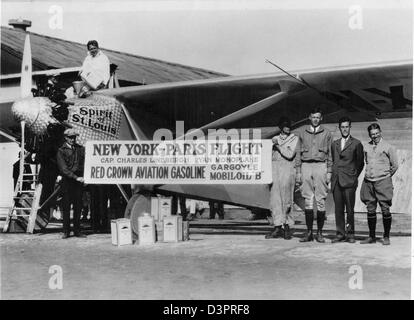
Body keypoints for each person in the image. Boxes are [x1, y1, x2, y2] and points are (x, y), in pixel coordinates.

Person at [295, 107, 333, 243]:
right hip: (305, 166)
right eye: (313, 117)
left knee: (321, 200)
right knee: (308, 200)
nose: (315, 119)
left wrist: (329, 172)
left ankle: (320, 233)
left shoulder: (327, 133)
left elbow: (330, 155)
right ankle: (309, 232)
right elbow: (298, 153)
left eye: (318, 117)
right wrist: (298, 172)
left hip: (321, 166)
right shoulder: (302, 133)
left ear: (321, 118)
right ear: (309, 117)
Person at [360, 123, 398, 245]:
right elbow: (366, 162)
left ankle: (386, 236)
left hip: (383, 181)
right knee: (370, 209)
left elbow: (395, 165)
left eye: (376, 133)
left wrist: (384, 176)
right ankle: (372, 236)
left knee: (385, 209)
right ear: (369, 135)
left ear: (380, 132)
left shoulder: (388, 147)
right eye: (372, 134)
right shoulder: (366, 147)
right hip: (368, 182)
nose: (375, 136)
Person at [330, 117, 364, 243]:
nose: (344, 129)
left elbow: (360, 163)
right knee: (338, 209)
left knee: (349, 209)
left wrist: (353, 176)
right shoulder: (335, 144)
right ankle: (340, 233)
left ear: (350, 127)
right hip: (336, 181)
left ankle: (350, 234)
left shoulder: (356, 143)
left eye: (346, 127)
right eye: (342, 127)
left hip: (349, 181)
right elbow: (334, 161)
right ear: (339, 128)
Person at [265, 117, 298, 240]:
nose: (287, 127)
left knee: (287, 199)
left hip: (287, 170)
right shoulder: (274, 139)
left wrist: (277, 145)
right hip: (274, 170)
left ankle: (287, 226)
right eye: (285, 125)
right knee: (275, 200)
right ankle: (277, 226)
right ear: (280, 127)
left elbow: (290, 154)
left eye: (289, 125)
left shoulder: (294, 139)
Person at [56, 128, 86, 239]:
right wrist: (76, 177)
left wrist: (84, 177)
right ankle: (66, 231)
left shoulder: (80, 149)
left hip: (78, 181)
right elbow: (63, 169)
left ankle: (77, 231)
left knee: (78, 207)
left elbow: (85, 163)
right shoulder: (61, 151)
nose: (72, 139)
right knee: (66, 207)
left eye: (74, 137)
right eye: (70, 137)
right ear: (66, 138)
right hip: (67, 182)